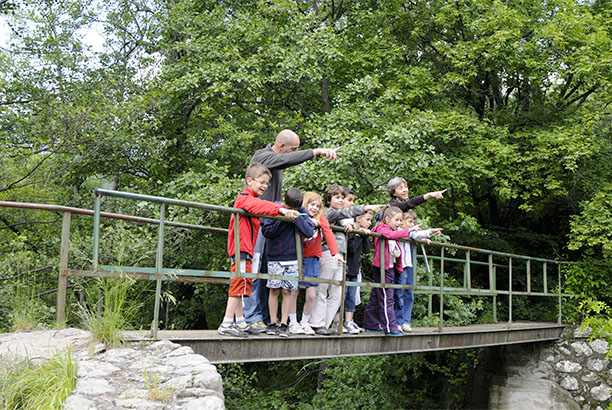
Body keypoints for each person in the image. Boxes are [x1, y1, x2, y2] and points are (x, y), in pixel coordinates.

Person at [244, 130, 341, 333]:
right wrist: (316, 151)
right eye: (293, 149)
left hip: (268, 223)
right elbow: (288, 160)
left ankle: (261, 317)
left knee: (264, 273)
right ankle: (251, 316)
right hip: (257, 223)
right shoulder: (262, 158)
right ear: (281, 147)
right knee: (253, 272)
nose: (293, 154)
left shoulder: (274, 162)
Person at [218, 163, 300, 338]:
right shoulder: (244, 198)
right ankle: (226, 324)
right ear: (249, 180)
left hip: (246, 249)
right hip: (242, 248)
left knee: (243, 284)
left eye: (267, 183)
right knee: (238, 284)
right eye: (261, 182)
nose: (265, 186)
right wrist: (281, 210)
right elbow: (259, 206)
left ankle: (239, 321)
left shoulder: (250, 198)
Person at [309, 184, 382, 335]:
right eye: (337, 197)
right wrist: (366, 207)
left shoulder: (341, 217)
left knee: (337, 292)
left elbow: (346, 217)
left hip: (340, 255)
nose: (341, 200)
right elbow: (346, 212)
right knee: (323, 289)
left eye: (343, 198)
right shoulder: (328, 212)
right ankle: (316, 323)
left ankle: (326, 324)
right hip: (327, 252)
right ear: (328, 200)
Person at [261, 188, 315, 338]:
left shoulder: (302, 211)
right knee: (274, 290)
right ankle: (272, 322)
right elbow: (267, 231)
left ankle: (284, 324)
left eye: (294, 209)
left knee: (287, 292)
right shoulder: (276, 208)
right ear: (284, 202)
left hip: (293, 258)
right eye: (289, 208)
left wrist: (296, 218)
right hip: (275, 257)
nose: (292, 210)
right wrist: (284, 218)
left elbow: (309, 231)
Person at [362, 206, 422, 336]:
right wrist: (408, 230)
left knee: (376, 295)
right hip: (383, 268)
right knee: (386, 298)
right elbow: (389, 236)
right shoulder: (383, 228)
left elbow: (393, 245)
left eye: (401, 220)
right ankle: (390, 328)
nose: (400, 223)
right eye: (397, 220)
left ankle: (370, 324)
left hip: (389, 267)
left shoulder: (390, 229)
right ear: (388, 219)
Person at [293, 191, 340, 335]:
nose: (314, 208)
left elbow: (328, 232)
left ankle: (305, 322)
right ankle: (293, 321)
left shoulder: (320, 218)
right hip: (297, 256)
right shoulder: (299, 215)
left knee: (312, 294)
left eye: (317, 206)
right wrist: (307, 220)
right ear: (305, 203)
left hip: (313, 257)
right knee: (294, 290)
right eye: (311, 204)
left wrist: (335, 252)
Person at [394, 210, 443, 333]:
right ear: (402, 221)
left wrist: (429, 232)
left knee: (409, 293)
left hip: (409, 264)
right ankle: (397, 321)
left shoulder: (410, 233)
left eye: (413, 222)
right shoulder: (397, 231)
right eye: (410, 222)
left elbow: (416, 234)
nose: (412, 224)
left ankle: (406, 321)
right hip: (400, 265)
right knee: (398, 293)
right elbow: (402, 234)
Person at [338, 211, 373, 334]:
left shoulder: (361, 233)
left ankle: (348, 322)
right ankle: (337, 322)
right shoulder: (350, 230)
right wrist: (358, 235)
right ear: (358, 218)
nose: (369, 223)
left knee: (351, 297)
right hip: (345, 268)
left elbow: (367, 250)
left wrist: (364, 236)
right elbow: (351, 248)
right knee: (341, 296)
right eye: (367, 220)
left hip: (355, 270)